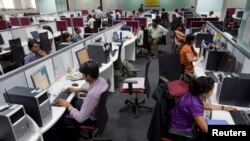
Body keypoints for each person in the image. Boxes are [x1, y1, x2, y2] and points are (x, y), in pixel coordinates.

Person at [169, 76, 236, 140]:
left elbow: (205, 105)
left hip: (176, 123)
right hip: (181, 131)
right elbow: (205, 129)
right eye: (211, 91)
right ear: (204, 93)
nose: (212, 93)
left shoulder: (193, 94)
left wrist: (223, 108)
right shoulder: (194, 105)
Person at [58, 61, 108, 125]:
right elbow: (94, 90)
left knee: (60, 119)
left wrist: (69, 106)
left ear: (89, 76)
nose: (83, 76)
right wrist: (79, 89)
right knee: (73, 100)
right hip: (96, 111)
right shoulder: (102, 80)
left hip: (90, 119)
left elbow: (80, 118)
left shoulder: (92, 95)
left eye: (83, 75)